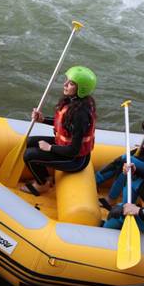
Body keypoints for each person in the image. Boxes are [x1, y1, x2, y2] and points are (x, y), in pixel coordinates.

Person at [21, 66, 97, 196]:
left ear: (81, 89)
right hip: (64, 147)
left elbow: (74, 150)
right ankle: (46, 178)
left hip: (75, 160)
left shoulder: (80, 114)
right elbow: (64, 123)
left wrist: (50, 148)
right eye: (67, 80)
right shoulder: (74, 101)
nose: (65, 84)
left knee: (29, 155)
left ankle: (42, 185)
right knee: (30, 141)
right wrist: (43, 119)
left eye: (71, 83)